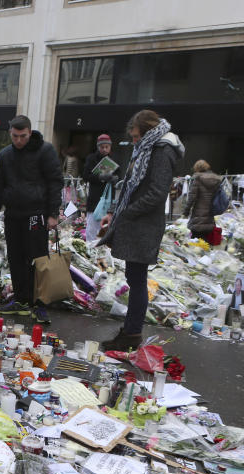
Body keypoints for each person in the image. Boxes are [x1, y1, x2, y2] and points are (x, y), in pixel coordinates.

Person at [98, 109, 184, 351]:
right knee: (134, 277)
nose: (133, 140)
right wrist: (118, 210)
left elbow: (157, 192)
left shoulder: (161, 150)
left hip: (144, 224)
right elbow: (129, 186)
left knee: (137, 280)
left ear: (148, 132)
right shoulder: (147, 148)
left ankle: (132, 333)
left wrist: (128, 212)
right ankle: (130, 331)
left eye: (136, 136)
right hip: (137, 222)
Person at [0, 115, 63, 324]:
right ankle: (21, 299)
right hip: (13, 213)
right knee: (15, 257)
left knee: (37, 258)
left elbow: (55, 182)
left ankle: (39, 304)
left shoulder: (45, 151)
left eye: (22, 136)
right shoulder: (5, 155)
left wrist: (53, 213)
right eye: (15, 136)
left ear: (30, 132)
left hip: (36, 213)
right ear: (10, 134)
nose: (19, 140)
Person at [82, 134, 122, 242]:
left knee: (105, 230)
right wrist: (100, 177)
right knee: (92, 229)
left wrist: (115, 179)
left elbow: (120, 176)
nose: (104, 149)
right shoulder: (91, 158)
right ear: (98, 147)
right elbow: (85, 176)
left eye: (107, 147)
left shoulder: (115, 158)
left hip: (109, 200)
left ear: (110, 147)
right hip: (95, 198)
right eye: (102, 147)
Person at [184, 159, 222, 239]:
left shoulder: (198, 179)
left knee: (196, 244)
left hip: (198, 218)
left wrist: (186, 212)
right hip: (210, 217)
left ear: (197, 168)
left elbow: (191, 198)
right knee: (206, 242)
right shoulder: (216, 180)